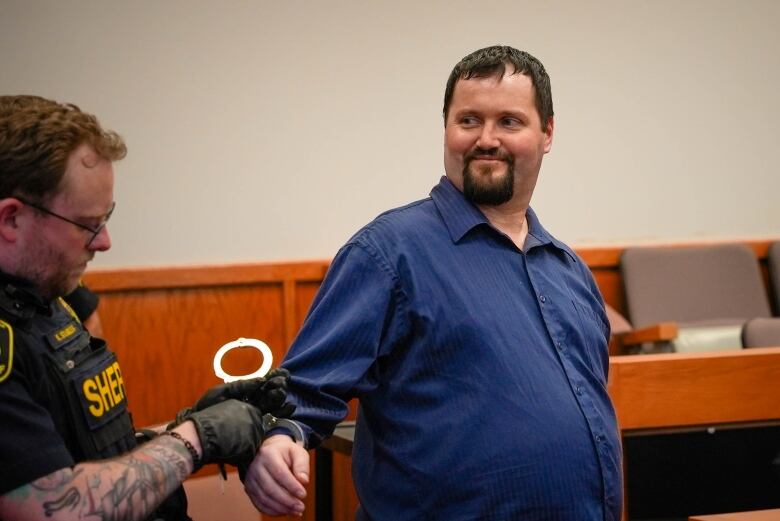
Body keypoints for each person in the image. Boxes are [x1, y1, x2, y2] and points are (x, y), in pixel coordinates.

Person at [244, 45, 623, 520]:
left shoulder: (569, 271)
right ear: (446, 127)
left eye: (509, 121)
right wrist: (281, 436)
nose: (487, 138)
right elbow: (300, 392)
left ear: (547, 133)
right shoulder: (387, 254)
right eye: (468, 121)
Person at [0, 95, 292, 521]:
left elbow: (95, 457)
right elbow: (55, 507)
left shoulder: (44, 297)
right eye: (87, 225)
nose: (104, 242)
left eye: (107, 219)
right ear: (11, 219)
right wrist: (195, 440)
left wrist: (191, 422)